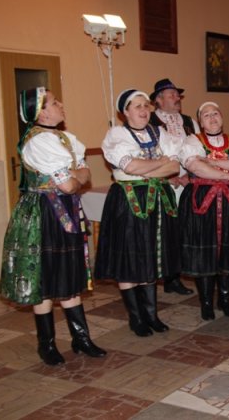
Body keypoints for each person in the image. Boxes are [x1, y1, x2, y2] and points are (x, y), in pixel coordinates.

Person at [1, 87, 106, 365]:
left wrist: (75, 175)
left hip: (65, 210)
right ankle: (46, 343)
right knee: (46, 275)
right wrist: (75, 175)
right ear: (41, 112)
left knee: (69, 271)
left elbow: (83, 175)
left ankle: (81, 337)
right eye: (54, 102)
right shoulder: (39, 141)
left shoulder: (64, 138)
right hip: (44, 214)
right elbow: (70, 184)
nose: (61, 105)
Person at [95, 89, 181, 337]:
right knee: (129, 256)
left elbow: (174, 166)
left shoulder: (159, 132)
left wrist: (146, 169)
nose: (144, 110)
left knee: (149, 253)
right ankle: (136, 317)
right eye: (137, 106)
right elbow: (130, 166)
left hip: (155, 199)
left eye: (146, 105)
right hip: (128, 200)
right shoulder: (117, 134)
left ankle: (151, 314)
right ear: (125, 112)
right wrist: (160, 162)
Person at [178, 102, 229, 320]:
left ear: (222, 117)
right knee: (205, 250)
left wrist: (209, 161)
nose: (212, 118)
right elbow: (195, 166)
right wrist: (226, 174)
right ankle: (206, 302)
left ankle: (225, 299)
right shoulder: (192, 141)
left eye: (215, 113)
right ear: (200, 122)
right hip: (202, 201)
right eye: (206, 115)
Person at [149, 78, 198, 295]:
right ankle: (167, 276)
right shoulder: (150, 121)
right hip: (162, 183)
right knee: (166, 230)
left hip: (188, 182)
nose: (177, 98)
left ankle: (180, 273)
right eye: (172, 94)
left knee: (185, 228)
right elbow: (149, 155)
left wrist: (190, 175)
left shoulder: (189, 121)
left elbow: (197, 149)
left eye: (178, 94)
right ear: (159, 100)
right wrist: (168, 177)